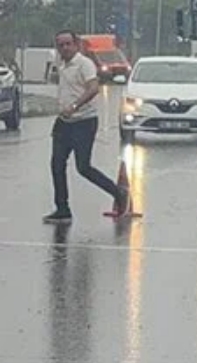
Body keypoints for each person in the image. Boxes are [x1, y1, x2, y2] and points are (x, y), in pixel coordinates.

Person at [43, 30, 127, 225]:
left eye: (68, 44)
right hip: (64, 122)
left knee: (83, 167)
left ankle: (118, 193)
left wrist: (74, 106)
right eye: (61, 45)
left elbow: (93, 88)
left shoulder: (85, 64)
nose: (64, 48)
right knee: (56, 165)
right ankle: (62, 209)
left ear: (76, 45)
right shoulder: (61, 64)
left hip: (84, 121)